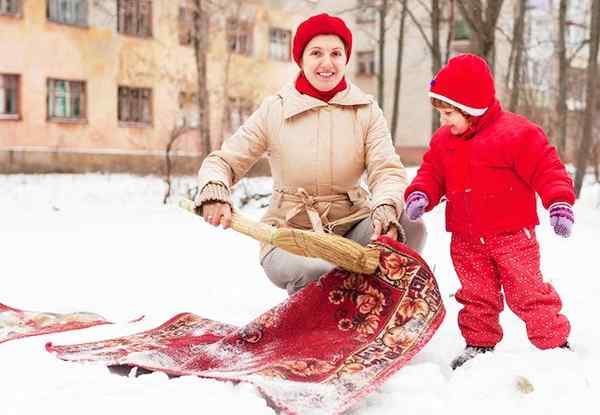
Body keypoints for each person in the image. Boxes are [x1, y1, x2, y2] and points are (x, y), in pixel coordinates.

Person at [195, 13, 426, 295]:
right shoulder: (275, 110)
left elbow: (386, 170)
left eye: (336, 53)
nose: (327, 63)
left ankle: (380, 304)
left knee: (411, 226)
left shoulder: (366, 110)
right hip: (289, 234)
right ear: (301, 60)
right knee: (316, 271)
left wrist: (386, 210)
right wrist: (215, 190)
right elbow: (224, 161)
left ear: (346, 59)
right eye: (316, 53)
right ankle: (316, 325)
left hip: (352, 228)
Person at [404, 54, 575, 369]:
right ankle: (479, 346)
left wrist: (559, 202)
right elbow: (431, 174)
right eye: (441, 113)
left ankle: (554, 346)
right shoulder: (444, 141)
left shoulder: (516, 134)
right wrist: (420, 194)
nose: (443, 121)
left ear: (471, 108)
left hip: (513, 237)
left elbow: (547, 168)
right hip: (466, 240)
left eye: (449, 113)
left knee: (528, 292)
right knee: (476, 295)